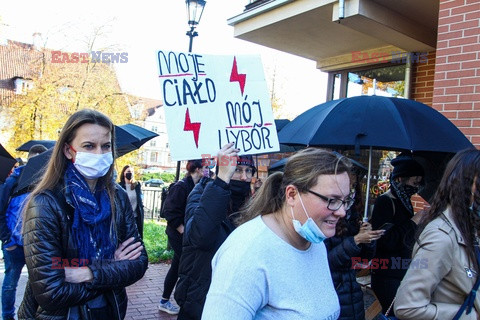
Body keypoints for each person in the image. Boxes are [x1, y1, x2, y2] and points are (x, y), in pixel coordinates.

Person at [18, 109, 148, 319]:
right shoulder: (46, 203)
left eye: (106, 146)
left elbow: (139, 263)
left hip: (109, 310)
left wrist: (88, 273)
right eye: (89, 146)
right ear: (69, 151)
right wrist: (112, 268)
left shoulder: (118, 197)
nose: (99, 153)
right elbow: (50, 292)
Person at [202, 148, 353, 319]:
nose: (342, 212)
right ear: (292, 194)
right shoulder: (246, 253)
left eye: (346, 200)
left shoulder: (315, 239)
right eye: (332, 200)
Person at [394, 149, 480, 319]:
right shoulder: (441, 237)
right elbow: (407, 307)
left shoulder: (469, 228)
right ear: (465, 186)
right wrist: (470, 316)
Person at [174, 142, 255, 320]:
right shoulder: (201, 193)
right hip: (199, 298)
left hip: (234, 300)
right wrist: (221, 182)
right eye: (237, 169)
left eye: (248, 171)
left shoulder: (251, 205)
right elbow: (201, 236)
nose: (243, 177)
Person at [370, 154, 425, 316]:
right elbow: (385, 241)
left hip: (401, 270)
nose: (416, 187)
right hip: (387, 273)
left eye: (419, 183)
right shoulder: (385, 202)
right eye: (414, 182)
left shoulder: (405, 202)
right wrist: (413, 222)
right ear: (401, 179)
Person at [324, 177, 384, 320]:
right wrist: (356, 240)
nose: (350, 193)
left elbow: (362, 261)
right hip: (333, 291)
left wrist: (368, 239)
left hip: (352, 292)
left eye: (353, 188)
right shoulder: (326, 218)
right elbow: (327, 261)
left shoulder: (352, 217)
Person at [0, 144, 47, 320]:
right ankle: (7, 316)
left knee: (38, 283)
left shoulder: (46, 182)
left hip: (36, 245)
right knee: (10, 284)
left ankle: (32, 315)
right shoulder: (13, 181)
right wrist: (7, 241)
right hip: (15, 245)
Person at [158, 159, 207, 315]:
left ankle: (165, 300)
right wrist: (184, 231)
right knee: (184, 267)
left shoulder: (198, 186)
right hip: (178, 235)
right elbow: (170, 212)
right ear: (198, 169)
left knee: (177, 266)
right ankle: (174, 301)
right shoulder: (181, 187)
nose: (208, 170)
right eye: (206, 168)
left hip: (186, 235)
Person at [118, 165, 145, 238]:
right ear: (124, 173)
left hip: (136, 217)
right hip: (124, 218)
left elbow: (140, 199)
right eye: (129, 172)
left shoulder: (137, 185)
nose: (131, 173)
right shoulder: (119, 187)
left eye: (132, 172)